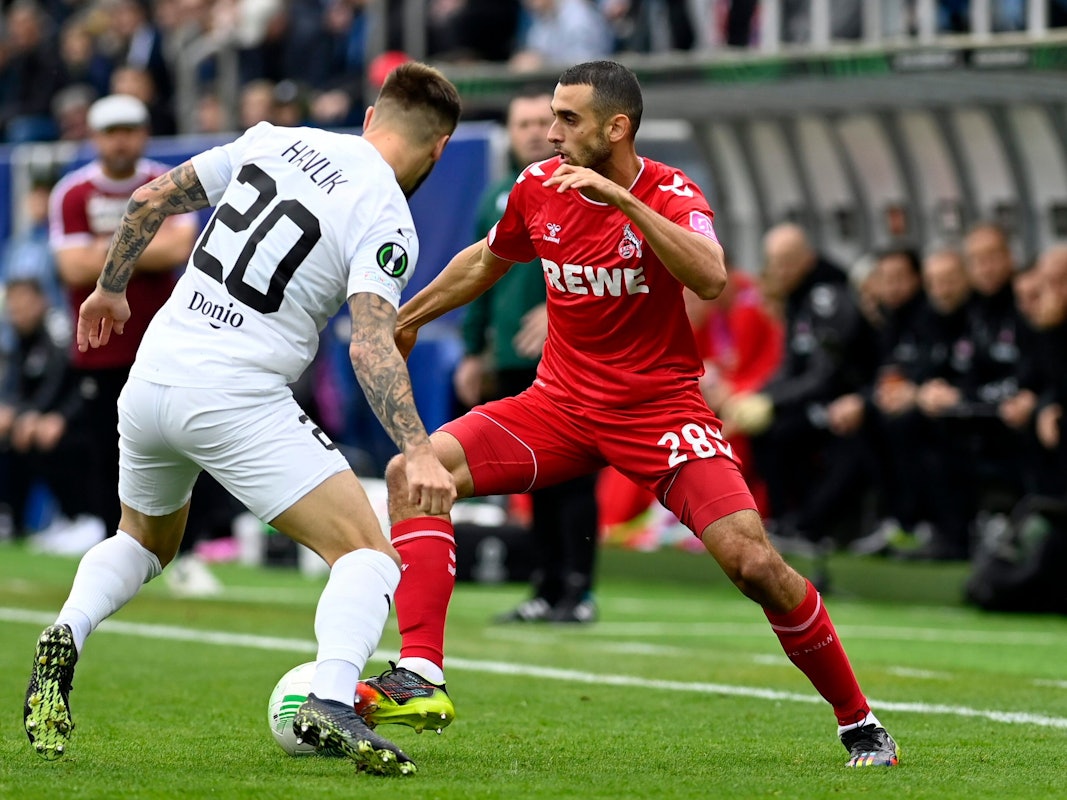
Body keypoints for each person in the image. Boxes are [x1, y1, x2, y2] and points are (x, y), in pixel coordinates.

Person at [355, 61, 899, 768]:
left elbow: (707, 275)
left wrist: (622, 202)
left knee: (752, 562)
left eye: (567, 119)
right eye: (550, 115)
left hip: (659, 412)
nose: (550, 133)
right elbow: (489, 259)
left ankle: (857, 720)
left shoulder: (670, 192)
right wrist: (409, 315)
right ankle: (420, 671)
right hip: (558, 405)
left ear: (617, 128)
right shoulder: (535, 187)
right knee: (412, 470)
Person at [23, 62, 462, 776]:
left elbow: (147, 199)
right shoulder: (386, 212)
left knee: (145, 541)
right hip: (234, 396)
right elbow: (371, 343)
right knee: (368, 555)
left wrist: (109, 290)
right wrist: (415, 448)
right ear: (439, 149)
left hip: (153, 376)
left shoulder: (272, 139)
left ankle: (67, 630)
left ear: (369, 118)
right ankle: (330, 699)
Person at [456, 88, 600, 624]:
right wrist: (473, 352)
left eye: (547, 120)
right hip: (513, 362)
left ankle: (579, 591)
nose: (536, 132)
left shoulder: (584, 189)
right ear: (510, 134)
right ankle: (545, 587)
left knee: (577, 477)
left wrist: (557, 311)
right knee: (534, 478)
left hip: (570, 360)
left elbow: (598, 268)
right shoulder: (501, 194)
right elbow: (478, 278)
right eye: (523, 124)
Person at [49, 93, 199, 542]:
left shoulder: (165, 182)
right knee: (104, 446)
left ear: (144, 134)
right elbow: (71, 268)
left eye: (129, 131)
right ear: (96, 138)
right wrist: (141, 249)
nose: (120, 142)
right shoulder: (73, 192)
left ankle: (186, 538)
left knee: (177, 443)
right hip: (99, 346)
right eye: (112, 133)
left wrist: (106, 249)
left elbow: (179, 249)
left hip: (161, 341)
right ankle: (108, 535)